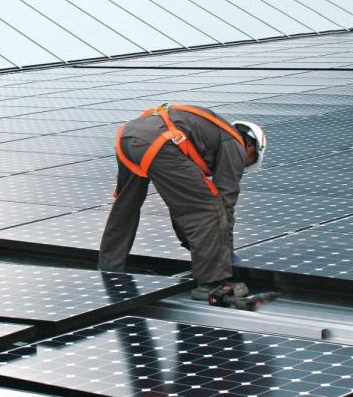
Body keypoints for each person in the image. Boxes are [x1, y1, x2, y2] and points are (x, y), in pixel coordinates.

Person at [98, 103, 266, 300]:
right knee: (209, 209)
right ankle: (211, 284)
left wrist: (202, 247)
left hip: (128, 138)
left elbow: (183, 204)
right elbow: (224, 204)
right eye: (251, 161)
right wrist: (225, 259)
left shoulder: (211, 134)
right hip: (160, 141)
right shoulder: (236, 144)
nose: (244, 166)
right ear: (252, 147)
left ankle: (108, 269)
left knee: (125, 208)